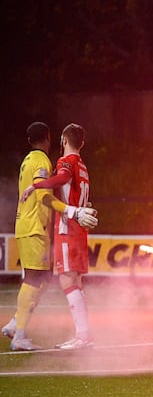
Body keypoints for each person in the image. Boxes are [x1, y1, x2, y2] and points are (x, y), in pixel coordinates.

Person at [20, 123, 98, 350]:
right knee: (75, 281)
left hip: (68, 227)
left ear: (64, 141)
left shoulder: (66, 162)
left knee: (67, 280)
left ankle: (83, 336)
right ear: (81, 143)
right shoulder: (83, 165)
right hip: (80, 227)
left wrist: (37, 186)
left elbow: (62, 178)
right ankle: (83, 335)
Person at [2, 122, 55, 351]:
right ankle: (20, 335)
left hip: (26, 225)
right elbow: (43, 196)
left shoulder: (27, 160)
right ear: (48, 138)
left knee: (44, 278)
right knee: (33, 278)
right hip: (35, 227)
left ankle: (15, 323)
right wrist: (70, 211)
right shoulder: (42, 161)